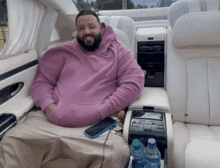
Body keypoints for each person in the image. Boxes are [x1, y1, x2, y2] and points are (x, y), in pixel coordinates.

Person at [0, 10, 145, 168]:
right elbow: (41, 81)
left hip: (94, 126)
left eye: (91, 26)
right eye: (81, 28)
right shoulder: (64, 51)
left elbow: (133, 83)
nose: (86, 31)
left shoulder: (118, 51)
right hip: (51, 120)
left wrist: (102, 110)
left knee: (115, 153)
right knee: (12, 141)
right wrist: (49, 107)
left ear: (101, 28)